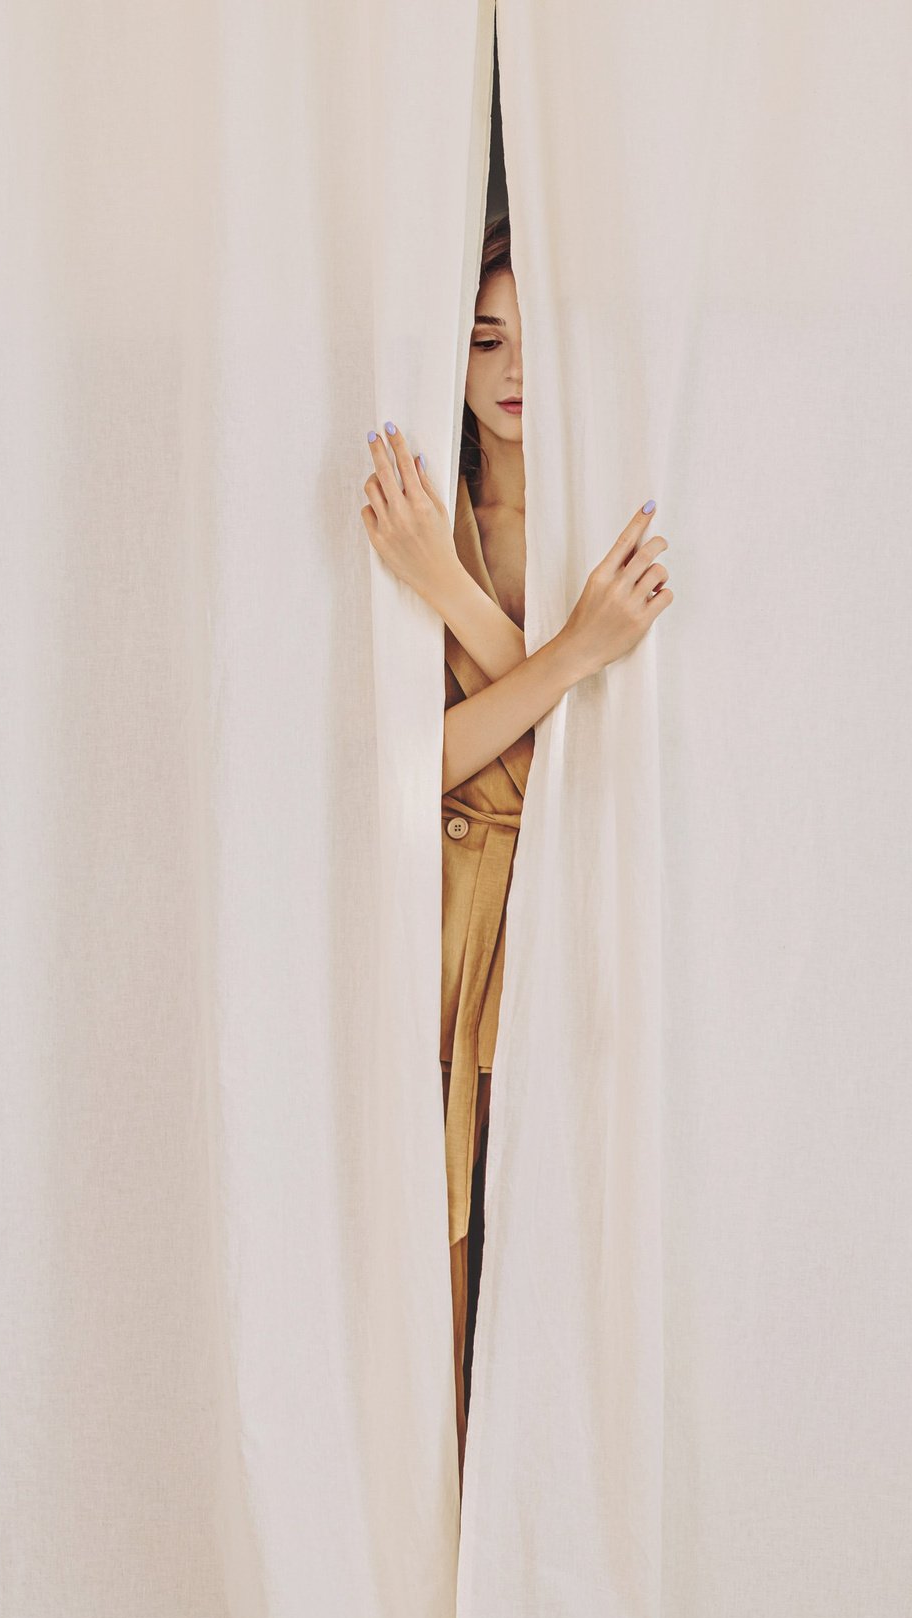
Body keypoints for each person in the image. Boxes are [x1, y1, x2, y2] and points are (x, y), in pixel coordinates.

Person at [358, 212, 674, 1475]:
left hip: (551, 923)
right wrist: (560, 654)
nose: (511, 370)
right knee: (419, 1257)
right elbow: (410, 768)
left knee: (541, 1243)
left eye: (533, 338)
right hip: (428, 918)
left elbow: (579, 783)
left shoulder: (593, 540)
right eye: (485, 339)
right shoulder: (429, 524)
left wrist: (480, 614)